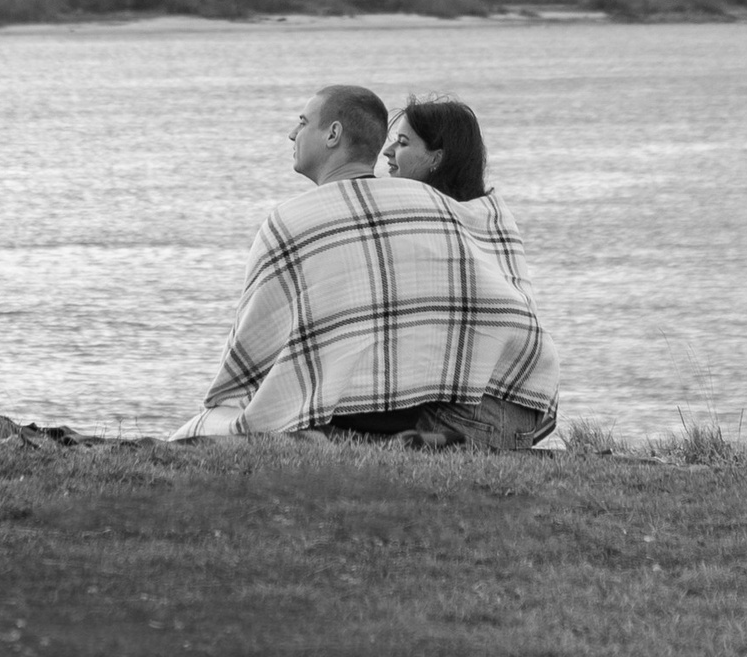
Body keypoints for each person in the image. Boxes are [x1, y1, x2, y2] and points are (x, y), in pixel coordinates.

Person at [180, 83, 557, 447]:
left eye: (302, 122)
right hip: (524, 395)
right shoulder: (461, 216)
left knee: (316, 420)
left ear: (333, 134)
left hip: (474, 412)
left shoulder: (312, 220)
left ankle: (414, 443)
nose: (292, 134)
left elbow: (255, 347)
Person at [383, 97, 534, 297]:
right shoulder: (490, 222)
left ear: (436, 158)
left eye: (403, 142)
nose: (387, 151)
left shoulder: (489, 221)